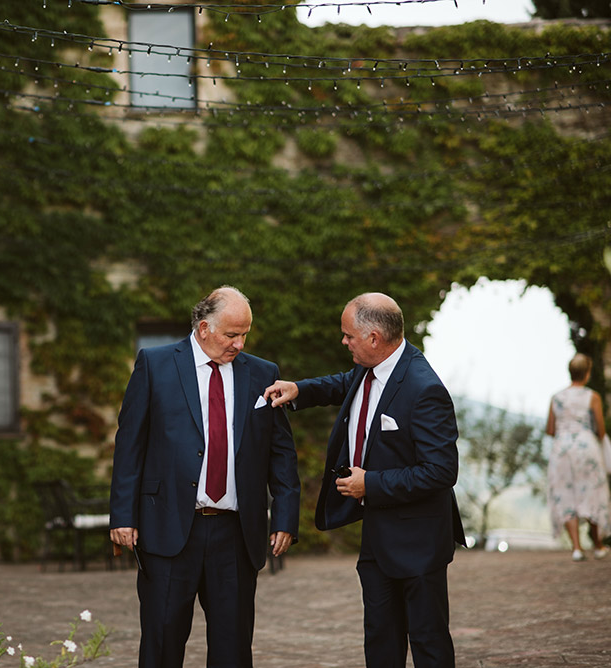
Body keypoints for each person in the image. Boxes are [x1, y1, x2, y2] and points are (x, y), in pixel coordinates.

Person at [265, 292, 465, 668]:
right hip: (377, 539)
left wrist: (369, 484)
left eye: (348, 336)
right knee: (380, 642)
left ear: (374, 338)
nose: (343, 342)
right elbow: (342, 384)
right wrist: (299, 390)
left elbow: (441, 471)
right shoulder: (368, 368)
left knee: (428, 644)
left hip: (419, 544)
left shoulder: (425, 389)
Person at [109, 285, 300, 668]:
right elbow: (130, 445)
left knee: (233, 650)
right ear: (203, 328)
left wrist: (285, 516)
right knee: (162, 645)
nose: (239, 344)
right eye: (231, 335)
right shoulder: (155, 364)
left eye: (245, 334)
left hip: (235, 534)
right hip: (167, 530)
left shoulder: (264, 374)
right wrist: (123, 516)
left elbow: (281, 453)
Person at [545, 352, 610, 561]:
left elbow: (550, 429)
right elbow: (600, 429)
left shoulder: (556, 397)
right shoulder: (592, 397)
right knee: (591, 491)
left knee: (566, 494)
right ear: (587, 373)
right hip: (585, 447)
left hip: (562, 449)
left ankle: (576, 548)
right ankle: (598, 545)